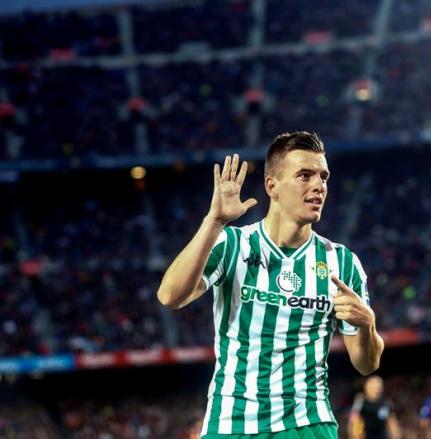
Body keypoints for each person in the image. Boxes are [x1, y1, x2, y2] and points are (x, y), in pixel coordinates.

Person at [157, 131, 384, 438]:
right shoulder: (233, 244)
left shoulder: (342, 263)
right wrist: (213, 222)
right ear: (272, 186)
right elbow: (170, 295)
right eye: (305, 175)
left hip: (307, 425)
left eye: (323, 177)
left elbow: (366, 364)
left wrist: (368, 325)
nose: (319, 185)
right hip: (232, 422)